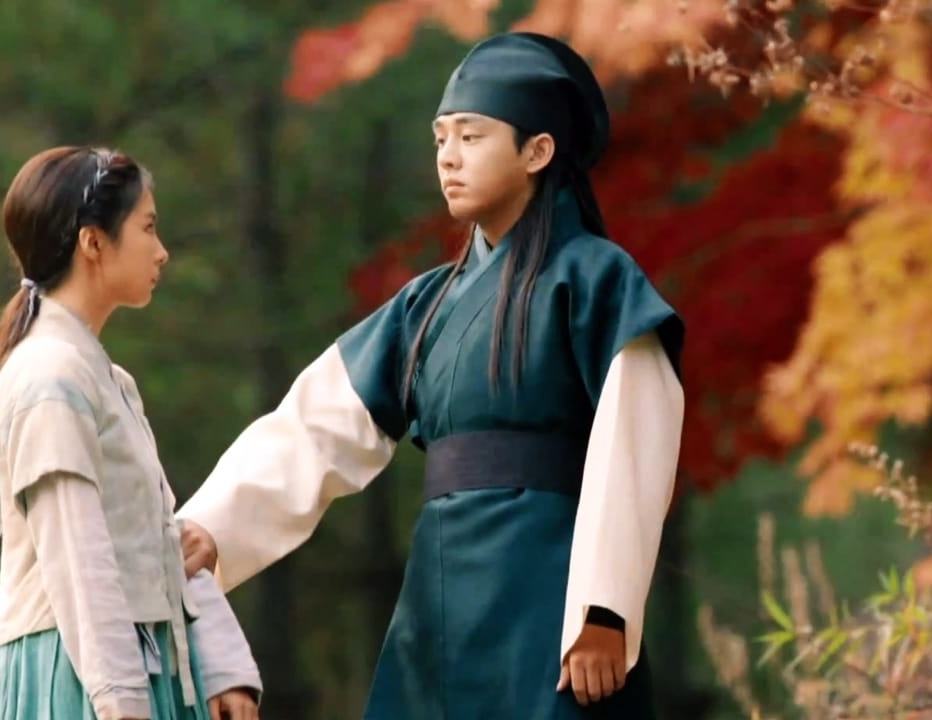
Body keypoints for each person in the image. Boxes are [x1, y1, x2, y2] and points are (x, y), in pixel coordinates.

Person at [178, 32, 685, 719]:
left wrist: (604, 611)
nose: (448, 156)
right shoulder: (426, 305)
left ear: (538, 151)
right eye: (441, 138)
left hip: (553, 597)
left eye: (471, 137)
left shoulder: (598, 280)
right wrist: (213, 526)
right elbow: (316, 427)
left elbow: (635, 448)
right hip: (439, 601)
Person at [0, 146, 263, 720]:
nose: (162, 250)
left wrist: (223, 665)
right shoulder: (48, 375)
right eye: (147, 228)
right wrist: (121, 703)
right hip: (76, 677)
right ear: (93, 242)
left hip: (132, 666)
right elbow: (78, 559)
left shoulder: (106, 378)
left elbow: (158, 536)